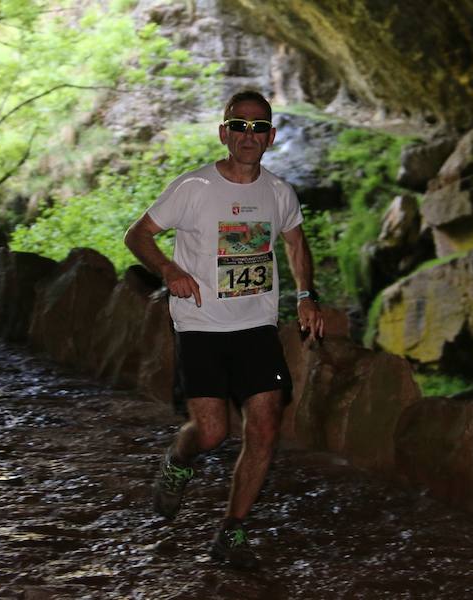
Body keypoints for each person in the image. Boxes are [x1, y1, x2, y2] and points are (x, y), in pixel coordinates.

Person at [124, 90, 324, 569]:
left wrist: (305, 295)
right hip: (201, 325)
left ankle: (231, 530)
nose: (248, 135)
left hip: (256, 325)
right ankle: (178, 459)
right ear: (224, 132)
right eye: (239, 125)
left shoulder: (278, 192)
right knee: (212, 433)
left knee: (265, 426)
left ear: (271, 136)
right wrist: (169, 270)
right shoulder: (193, 187)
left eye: (258, 128)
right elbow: (138, 235)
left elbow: (296, 243)